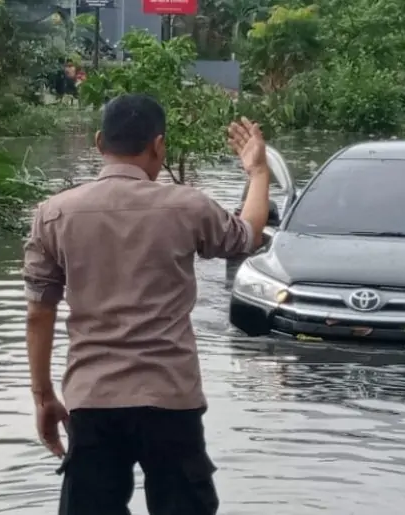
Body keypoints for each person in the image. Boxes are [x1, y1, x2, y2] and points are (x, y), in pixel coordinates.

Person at [21, 93, 272, 515]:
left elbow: (38, 313)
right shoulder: (188, 206)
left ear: (100, 143)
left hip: (92, 399)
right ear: (159, 146)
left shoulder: (53, 215)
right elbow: (247, 233)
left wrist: (44, 396)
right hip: (170, 398)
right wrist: (258, 171)